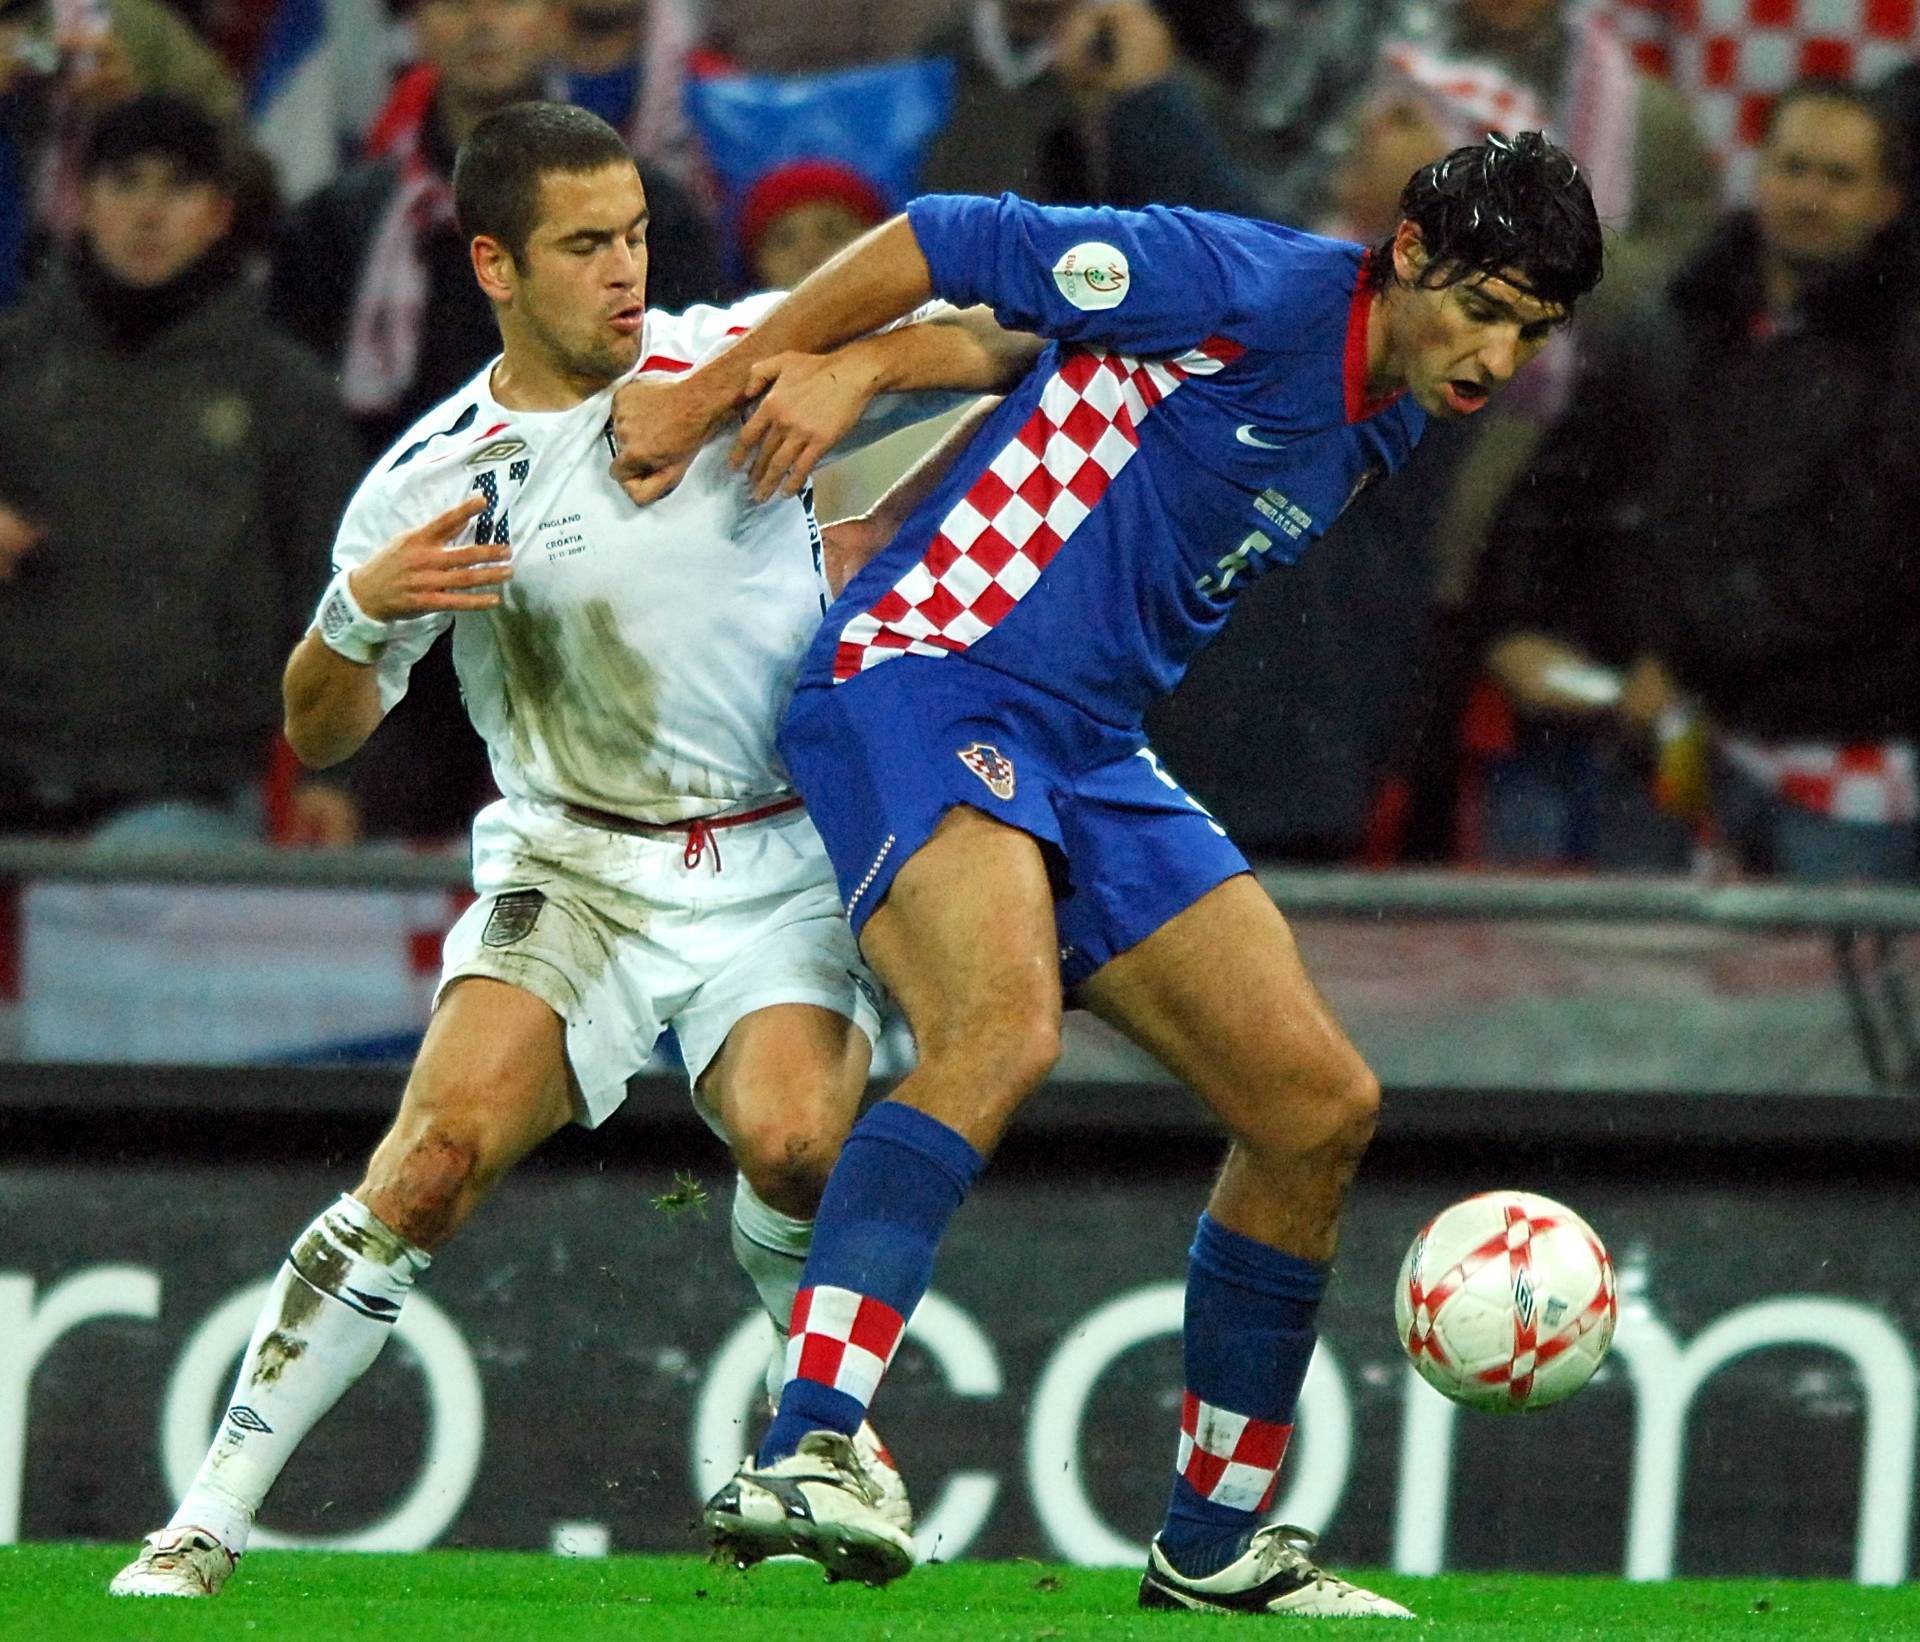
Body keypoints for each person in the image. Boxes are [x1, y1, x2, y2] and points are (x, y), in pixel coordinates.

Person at [606, 133, 1603, 1611]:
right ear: (1407, 257)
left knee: (1316, 1104)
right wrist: (743, 381)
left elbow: (1046, 348)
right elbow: (959, 230)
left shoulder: (1386, 419)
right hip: (928, 673)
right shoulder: (1248, 284)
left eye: (1532, 328)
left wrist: (895, 373)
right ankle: (811, 1440)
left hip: (1085, 741)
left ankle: (1215, 1538)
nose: (1500, 352)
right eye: (1486, 305)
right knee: (998, 1028)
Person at [107, 99, 1041, 1598]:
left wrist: (860, 356)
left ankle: (822, 1424)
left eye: (638, 238)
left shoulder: (727, 357)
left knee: (800, 1142)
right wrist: (358, 611)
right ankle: (204, 1519)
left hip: (774, 857)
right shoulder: (435, 476)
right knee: (432, 1162)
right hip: (574, 865)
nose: (627, 272)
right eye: (586, 246)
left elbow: (1011, 339)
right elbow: (320, 730)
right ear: (493, 264)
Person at [270, 0, 722, 845]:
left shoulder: (656, 223)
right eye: (452, 0)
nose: (481, 21)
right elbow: (305, 487)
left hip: (613, 627)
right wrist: (332, 762)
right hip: (408, 655)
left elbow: (697, 423)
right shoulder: (337, 229)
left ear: (562, 17)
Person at [1475, 80, 1920, 881]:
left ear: (1889, 201)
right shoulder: (1670, 323)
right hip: (1652, 744)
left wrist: (1680, 659)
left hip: (1833, 763)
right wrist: (1515, 623)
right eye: (1794, 168)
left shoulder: (1901, 358)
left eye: (1839, 177)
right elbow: (1553, 493)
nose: (1810, 196)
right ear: (1759, 176)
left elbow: (1855, 557)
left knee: (1828, 999)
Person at [0, 93, 361, 842]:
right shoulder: (13, 364)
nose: (148, 213)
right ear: (80, 202)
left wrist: (333, 775)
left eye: (179, 187)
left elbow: (345, 598)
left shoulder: (282, 392)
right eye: (125, 183)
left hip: (190, 790)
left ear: (220, 211)